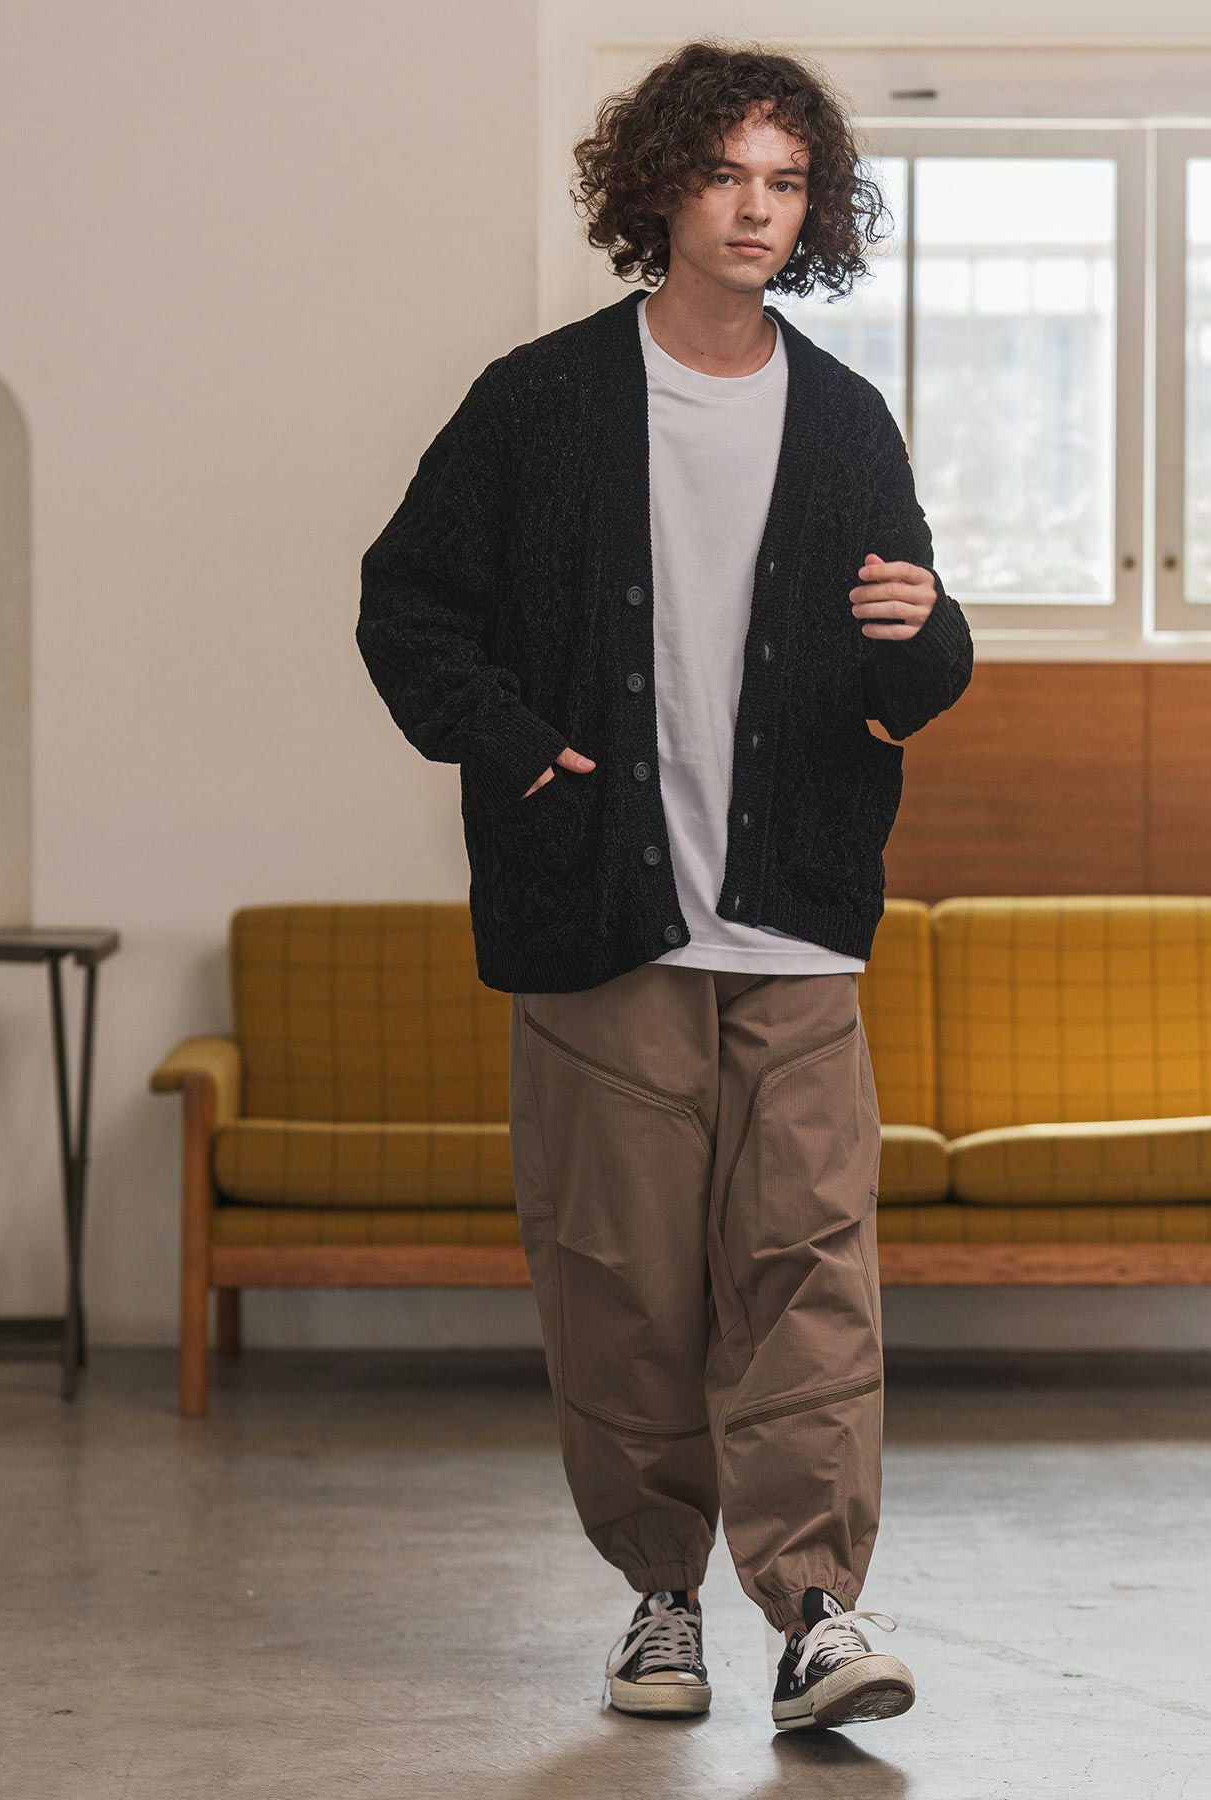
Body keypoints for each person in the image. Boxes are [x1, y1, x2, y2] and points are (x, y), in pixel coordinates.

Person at [355, 37, 973, 1733]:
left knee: (811, 1268)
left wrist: (934, 630)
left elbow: (913, 658)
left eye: (787, 182)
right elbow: (407, 609)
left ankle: (819, 1611)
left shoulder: (842, 419)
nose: (756, 209)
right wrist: (518, 751)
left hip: (796, 919)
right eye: (724, 175)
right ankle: (659, 1602)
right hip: (604, 916)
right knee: (622, 1277)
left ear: (814, 210)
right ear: (661, 189)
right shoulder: (540, 401)